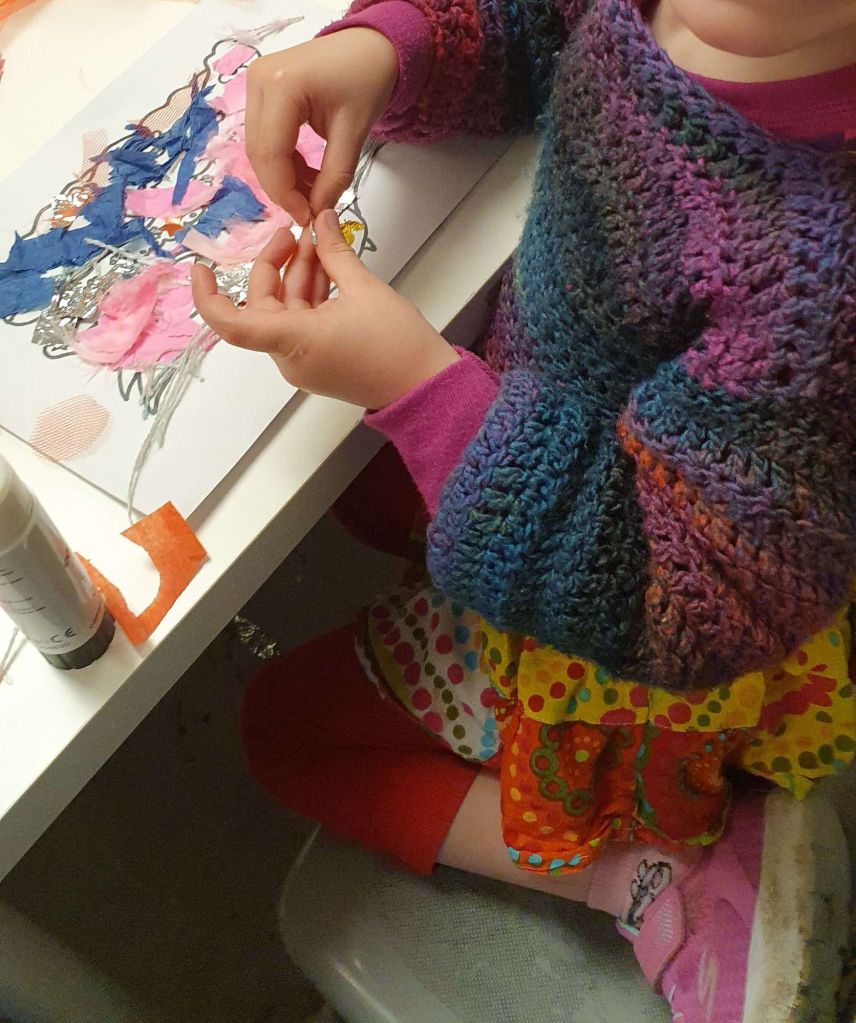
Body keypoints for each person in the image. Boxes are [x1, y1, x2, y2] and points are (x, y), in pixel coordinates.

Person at [191, 1, 856, 1019]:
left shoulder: (823, 271)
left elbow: (679, 596)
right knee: (357, 491)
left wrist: (417, 386)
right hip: (565, 428)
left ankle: (650, 877)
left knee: (288, 729)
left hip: (638, 630)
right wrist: (392, 50)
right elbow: (539, 23)